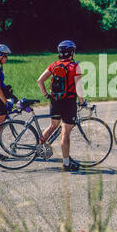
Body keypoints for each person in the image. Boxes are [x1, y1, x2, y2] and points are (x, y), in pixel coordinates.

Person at [37, 40, 85, 172]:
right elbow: (78, 86)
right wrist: (82, 101)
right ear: (71, 52)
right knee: (65, 133)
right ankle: (66, 163)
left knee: (52, 126)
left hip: (55, 101)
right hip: (68, 102)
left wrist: (47, 95)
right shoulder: (74, 66)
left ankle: (38, 148)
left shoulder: (54, 65)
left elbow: (40, 81)